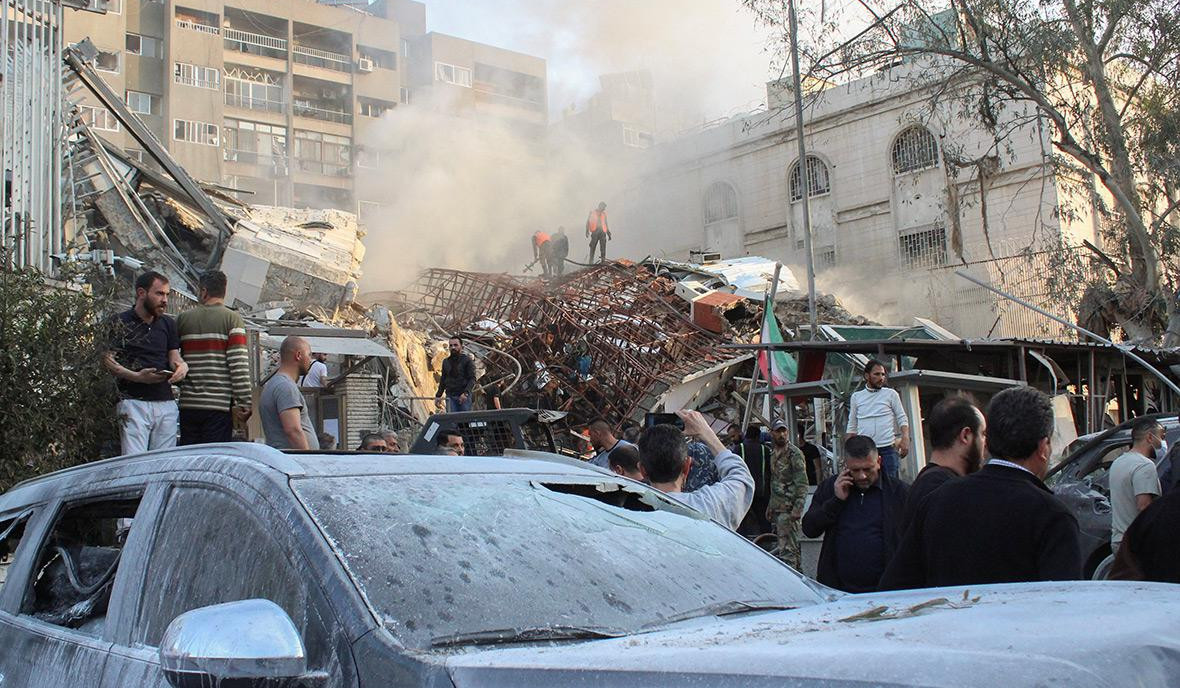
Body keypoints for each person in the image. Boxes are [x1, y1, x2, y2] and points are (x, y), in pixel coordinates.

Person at [879, 386, 1082, 590]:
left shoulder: (937, 500)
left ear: (990, 440)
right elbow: (1063, 607)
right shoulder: (1053, 516)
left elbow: (896, 589)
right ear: (1043, 447)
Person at [802, 435, 908, 592]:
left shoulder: (899, 493)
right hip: (839, 592)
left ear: (879, 462)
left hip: (888, 592)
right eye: (855, 470)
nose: (862, 476)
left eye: (867, 469)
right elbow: (809, 529)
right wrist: (835, 502)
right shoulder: (831, 488)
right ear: (846, 466)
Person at [103, 271, 188, 455]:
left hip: (165, 401)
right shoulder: (119, 322)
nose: (164, 300)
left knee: (164, 463)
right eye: (159, 293)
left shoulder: (168, 324)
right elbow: (107, 360)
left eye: (167, 294)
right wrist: (136, 377)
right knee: (134, 462)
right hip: (133, 401)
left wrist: (182, 367)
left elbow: (174, 356)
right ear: (141, 293)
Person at [637, 410, 754, 530]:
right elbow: (741, 477)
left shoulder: (627, 514)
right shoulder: (709, 506)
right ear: (687, 466)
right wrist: (706, 432)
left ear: (642, 470)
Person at [176, 270, 252, 445]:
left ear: (204, 291)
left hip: (188, 405)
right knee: (212, 457)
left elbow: (173, 359)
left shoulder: (183, 319)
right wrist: (244, 401)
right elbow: (238, 365)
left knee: (190, 458)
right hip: (218, 407)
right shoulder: (232, 319)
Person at [895, 396, 986, 536]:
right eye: (982, 434)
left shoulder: (929, 484)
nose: (985, 443)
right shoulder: (944, 489)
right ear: (965, 435)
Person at [846, 359, 911, 481]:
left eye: (882, 374)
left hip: (888, 449)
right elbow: (852, 425)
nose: (881, 377)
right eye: (876, 374)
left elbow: (902, 417)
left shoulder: (891, 394)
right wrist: (848, 451)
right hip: (865, 450)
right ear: (867, 376)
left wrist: (905, 438)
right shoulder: (856, 397)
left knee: (891, 485)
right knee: (867, 483)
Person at [1109, 417, 1164, 553]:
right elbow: (1144, 507)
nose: (1162, 443)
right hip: (1137, 543)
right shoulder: (1144, 465)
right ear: (1150, 437)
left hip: (1119, 540)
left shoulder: (1118, 462)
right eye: (1161, 437)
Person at [1110, 487, 1180, 583]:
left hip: (1125, 535)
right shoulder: (1144, 472)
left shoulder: (1155, 512)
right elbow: (1143, 505)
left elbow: (1123, 577)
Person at [259, 336, 318, 450]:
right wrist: (309, 460)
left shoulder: (275, 384)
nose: (310, 360)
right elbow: (293, 431)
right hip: (293, 462)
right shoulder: (285, 387)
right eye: (309, 355)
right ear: (299, 355)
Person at [766, 420, 809, 570]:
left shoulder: (794, 454)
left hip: (789, 510)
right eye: (778, 431)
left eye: (784, 431)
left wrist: (798, 507)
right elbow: (775, 481)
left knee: (788, 552)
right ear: (771, 433)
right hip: (779, 508)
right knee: (788, 549)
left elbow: (802, 483)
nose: (782, 434)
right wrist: (771, 506)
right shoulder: (773, 453)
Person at [736, 425, 774, 536]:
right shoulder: (765, 450)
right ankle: (766, 544)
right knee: (764, 522)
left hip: (743, 492)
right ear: (758, 436)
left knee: (742, 522)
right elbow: (770, 472)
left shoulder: (739, 449)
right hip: (761, 492)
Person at [435, 336, 476, 413]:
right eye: (451, 345)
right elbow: (443, 379)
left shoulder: (467, 361)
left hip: (463, 397)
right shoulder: (446, 362)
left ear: (461, 346)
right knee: (452, 422)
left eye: (455, 345)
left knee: (464, 422)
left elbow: (472, 379)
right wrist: (438, 395)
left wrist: (466, 393)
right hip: (450, 396)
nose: (453, 347)